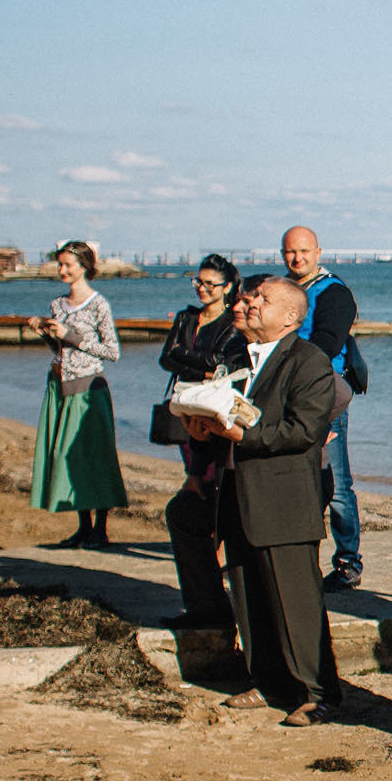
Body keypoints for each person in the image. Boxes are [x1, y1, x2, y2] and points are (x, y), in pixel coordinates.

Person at [183, 278, 338, 728]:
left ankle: (318, 693)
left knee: (297, 602)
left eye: (263, 300)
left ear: (290, 317)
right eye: (252, 298)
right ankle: (268, 682)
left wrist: (241, 434)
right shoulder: (236, 357)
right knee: (249, 597)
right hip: (236, 492)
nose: (250, 304)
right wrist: (204, 431)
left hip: (283, 500)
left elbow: (303, 431)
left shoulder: (308, 360)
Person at [161, 254, 251, 630]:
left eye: (209, 283)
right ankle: (207, 600)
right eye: (198, 281)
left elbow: (223, 364)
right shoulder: (187, 317)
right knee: (195, 494)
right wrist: (202, 364)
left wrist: (190, 360)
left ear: (228, 287)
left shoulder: (233, 324)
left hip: (218, 415)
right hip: (189, 408)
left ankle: (216, 598)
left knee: (210, 499)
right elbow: (168, 358)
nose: (202, 288)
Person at [281, 225, 364, 591]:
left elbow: (327, 343)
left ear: (318, 252)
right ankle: (299, 559)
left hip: (323, 395)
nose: (297, 258)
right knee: (293, 479)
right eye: (290, 252)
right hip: (282, 395)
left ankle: (348, 562)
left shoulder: (333, 292)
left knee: (337, 483)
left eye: (304, 251)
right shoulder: (279, 289)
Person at [30, 240, 128, 547]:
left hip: (89, 389)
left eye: (67, 265)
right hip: (59, 385)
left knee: (95, 456)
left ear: (84, 267)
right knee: (66, 457)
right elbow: (60, 349)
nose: (61, 270)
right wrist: (46, 334)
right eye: (59, 264)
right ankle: (84, 527)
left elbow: (112, 352)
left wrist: (71, 336)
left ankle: (101, 529)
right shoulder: (57, 305)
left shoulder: (99, 304)